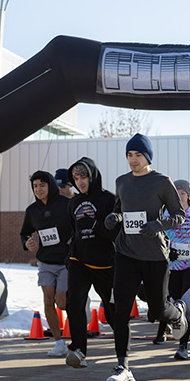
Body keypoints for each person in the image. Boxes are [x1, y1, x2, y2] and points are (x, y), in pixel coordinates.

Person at [103, 133, 190, 381]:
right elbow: (120, 210)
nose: (133, 160)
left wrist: (158, 224)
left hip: (154, 254)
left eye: (138, 155)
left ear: (148, 157)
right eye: (129, 155)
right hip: (126, 252)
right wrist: (114, 219)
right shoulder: (122, 182)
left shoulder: (162, 182)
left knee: (157, 310)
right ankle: (123, 367)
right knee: (120, 309)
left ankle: (178, 314)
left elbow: (179, 215)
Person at [64, 157, 118, 368]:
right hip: (80, 262)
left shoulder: (109, 200)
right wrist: (69, 253)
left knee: (113, 309)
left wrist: (94, 225)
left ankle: (123, 349)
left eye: (83, 176)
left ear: (92, 176)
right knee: (74, 302)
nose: (80, 182)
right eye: (76, 178)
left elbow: (115, 234)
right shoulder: (73, 203)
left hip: (106, 264)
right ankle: (79, 350)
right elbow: (73, 232)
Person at [20, 170, 73, 358]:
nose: (38, 189)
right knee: (48, 300)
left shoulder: (66, 204)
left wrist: (73, 238)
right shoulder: (32, 211)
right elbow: (24, 232)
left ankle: (79, 306)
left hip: (66, 261)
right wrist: (27, 242)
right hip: (45, 262)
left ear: (50, 185)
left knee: (62, 303)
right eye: (35, 186)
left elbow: (79, 225)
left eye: (42, 185)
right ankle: (59, 343)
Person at [158, 179, 190, 359]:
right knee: (172, 302)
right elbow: (161, 235)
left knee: (186, 302)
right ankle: (176, 328)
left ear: (188, 195)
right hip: (171, 265)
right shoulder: (166, 214)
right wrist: (166, 250)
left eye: (183, 193)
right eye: (176, 192)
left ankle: (183, 347)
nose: (179, 195)